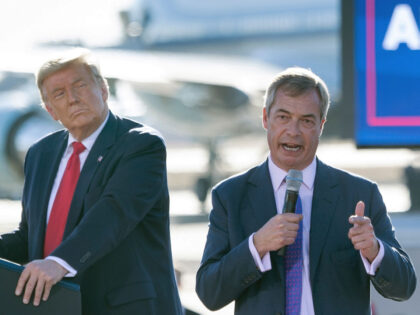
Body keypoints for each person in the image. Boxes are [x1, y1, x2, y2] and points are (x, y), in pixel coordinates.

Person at [195, 67, 416, 315]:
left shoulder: (358, 194)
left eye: (306, 121)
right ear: (266, 118)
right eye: (283, 117)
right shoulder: (230, 196)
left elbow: (404, 287)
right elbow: (209, 293)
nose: (293, 131)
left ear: (321, 125)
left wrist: (374, 250)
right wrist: (257, 246)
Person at [0, 48, 183, 314]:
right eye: (60, 94)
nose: (73, 99)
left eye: (80, 85)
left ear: (103, 90)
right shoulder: (40, 154)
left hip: (125, 307)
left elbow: (114, 213)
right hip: (59, 305)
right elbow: (30, 237)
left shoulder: (141, 144)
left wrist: (59, 262)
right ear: (51, 110)